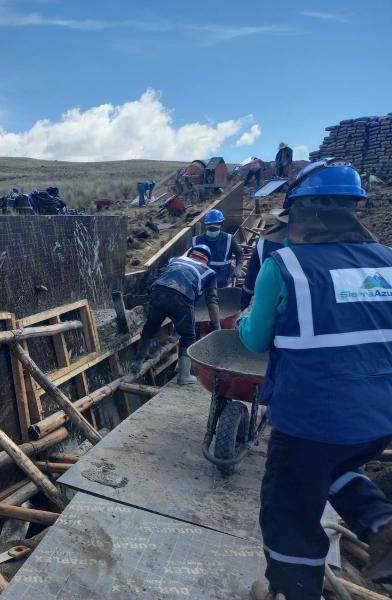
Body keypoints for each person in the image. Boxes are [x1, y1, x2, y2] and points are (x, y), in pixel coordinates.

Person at [238, 159, 392, 600]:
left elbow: (253, 341)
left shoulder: (286, 265)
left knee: (288, 512)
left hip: (312, 416)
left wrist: (251, 316)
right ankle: (381, 520)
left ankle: (291, 592)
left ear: (298, 209)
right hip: (378, 416)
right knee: (336, 470)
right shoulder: (388, 261)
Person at [131, 244, 220, 384]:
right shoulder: (209, 272)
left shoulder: (176, 260)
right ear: (206, 259)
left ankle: (137, 363)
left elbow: (156, 277)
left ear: (191, 254)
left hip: (158, 291)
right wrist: (217, 327)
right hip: (182, 298)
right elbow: (212, 301)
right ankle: (184, 376)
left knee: (150, 328)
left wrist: (151, 295)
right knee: (188, 335)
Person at [240, 210, 287, 309]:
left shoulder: (263, 241)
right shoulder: (307, 243)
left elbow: (252, 276)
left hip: (268, 298)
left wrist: (244, 304)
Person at [192, 209, 244, 288]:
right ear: (206, 226)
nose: (213, 230)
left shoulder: (228, 239)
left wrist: (238, 267)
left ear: (221, 225)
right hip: (203, 283)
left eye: (215, 228)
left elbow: (239, 253)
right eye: (211, 228)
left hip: (222, 282)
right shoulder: (196, 241)